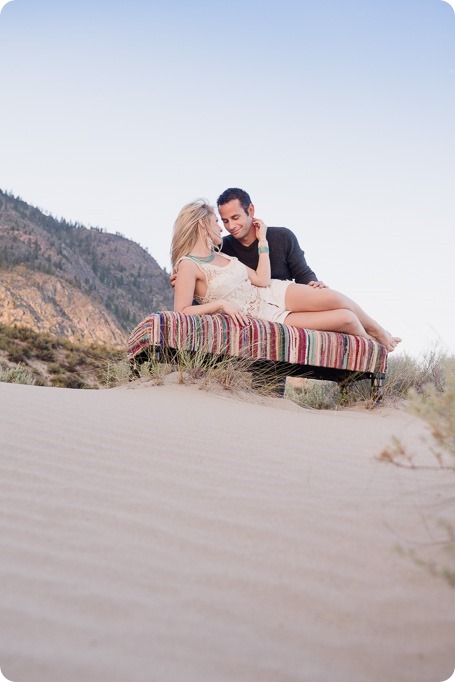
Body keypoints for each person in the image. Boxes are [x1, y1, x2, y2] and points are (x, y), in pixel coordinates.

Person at [171, 199, 401, 352]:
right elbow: (180, 312)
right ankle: (375, 347)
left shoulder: (225, 255)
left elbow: (261, 279)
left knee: (334, 298)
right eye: (217, 222)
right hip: (263, 315)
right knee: (346, 319)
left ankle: (378, 331)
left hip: (273, 290)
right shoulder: (188, 266)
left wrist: (263, 241)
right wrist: (220, 305)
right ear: (202, 225)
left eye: (229, 220)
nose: (223, 228)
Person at [217, 187, 327, 288]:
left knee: (333, 301)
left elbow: (302, 274)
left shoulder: (282, 237)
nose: (231, 226)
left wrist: (314, 285)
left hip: (288, 304)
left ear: (250, 210)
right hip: (246, 308)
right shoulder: (222, 248)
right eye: (225, 221)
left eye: (235, 218)